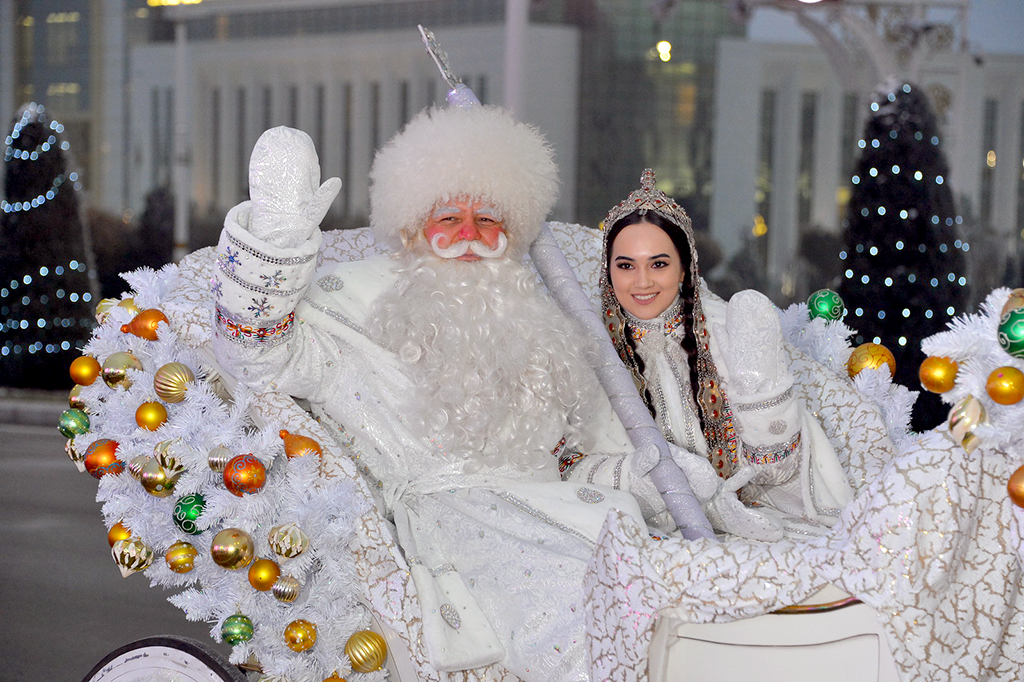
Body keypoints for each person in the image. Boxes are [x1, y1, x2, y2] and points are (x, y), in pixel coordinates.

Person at [211, 108, 706, 681]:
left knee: (692, 615)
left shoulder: (540, 324)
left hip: (587, 523)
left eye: (488, 217)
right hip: (463, 537)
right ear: (409, 228)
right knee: (591, 636)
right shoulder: (350, 315)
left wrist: (639, 475)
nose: (469, 235)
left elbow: (570, 457)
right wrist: (277, 234)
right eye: (449, 216)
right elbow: (254, 355)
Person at [594, 169, 855, 540]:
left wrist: (762, 400)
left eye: (658, 264)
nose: (642, 282)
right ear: (608, 271)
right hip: (634, 531)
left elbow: (780, 475)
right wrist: (641, 479)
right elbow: (564, 462)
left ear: (684, 268)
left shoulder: (723, 333)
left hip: (758, 524)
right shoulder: (586, 350)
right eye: (625, 266)